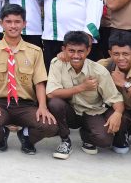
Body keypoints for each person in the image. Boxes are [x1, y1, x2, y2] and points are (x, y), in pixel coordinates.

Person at [0, 4, 57, 154]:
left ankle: (27, 137)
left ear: (24, 24)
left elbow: (39, 82)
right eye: (8, 22)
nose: (13, 26)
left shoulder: (35, 51)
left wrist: (42, 106)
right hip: (0, 103)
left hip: (26, 104)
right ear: (1, 24)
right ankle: (0, 137)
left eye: (17, 22)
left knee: (50, 126)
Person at [46, 31, 125, 160]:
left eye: (80, 51)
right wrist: (82, 87)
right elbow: (51, 93)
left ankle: (86, 136)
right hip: (70, 111)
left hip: (91, 112)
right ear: (63, 49)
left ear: (88, 51)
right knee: (55, 103)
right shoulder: (57, 63)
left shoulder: (99, 71)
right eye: (71, 51)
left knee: (104, 141)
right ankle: (65, 140)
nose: (76, 55)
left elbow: (115, 98)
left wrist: (118, 113)